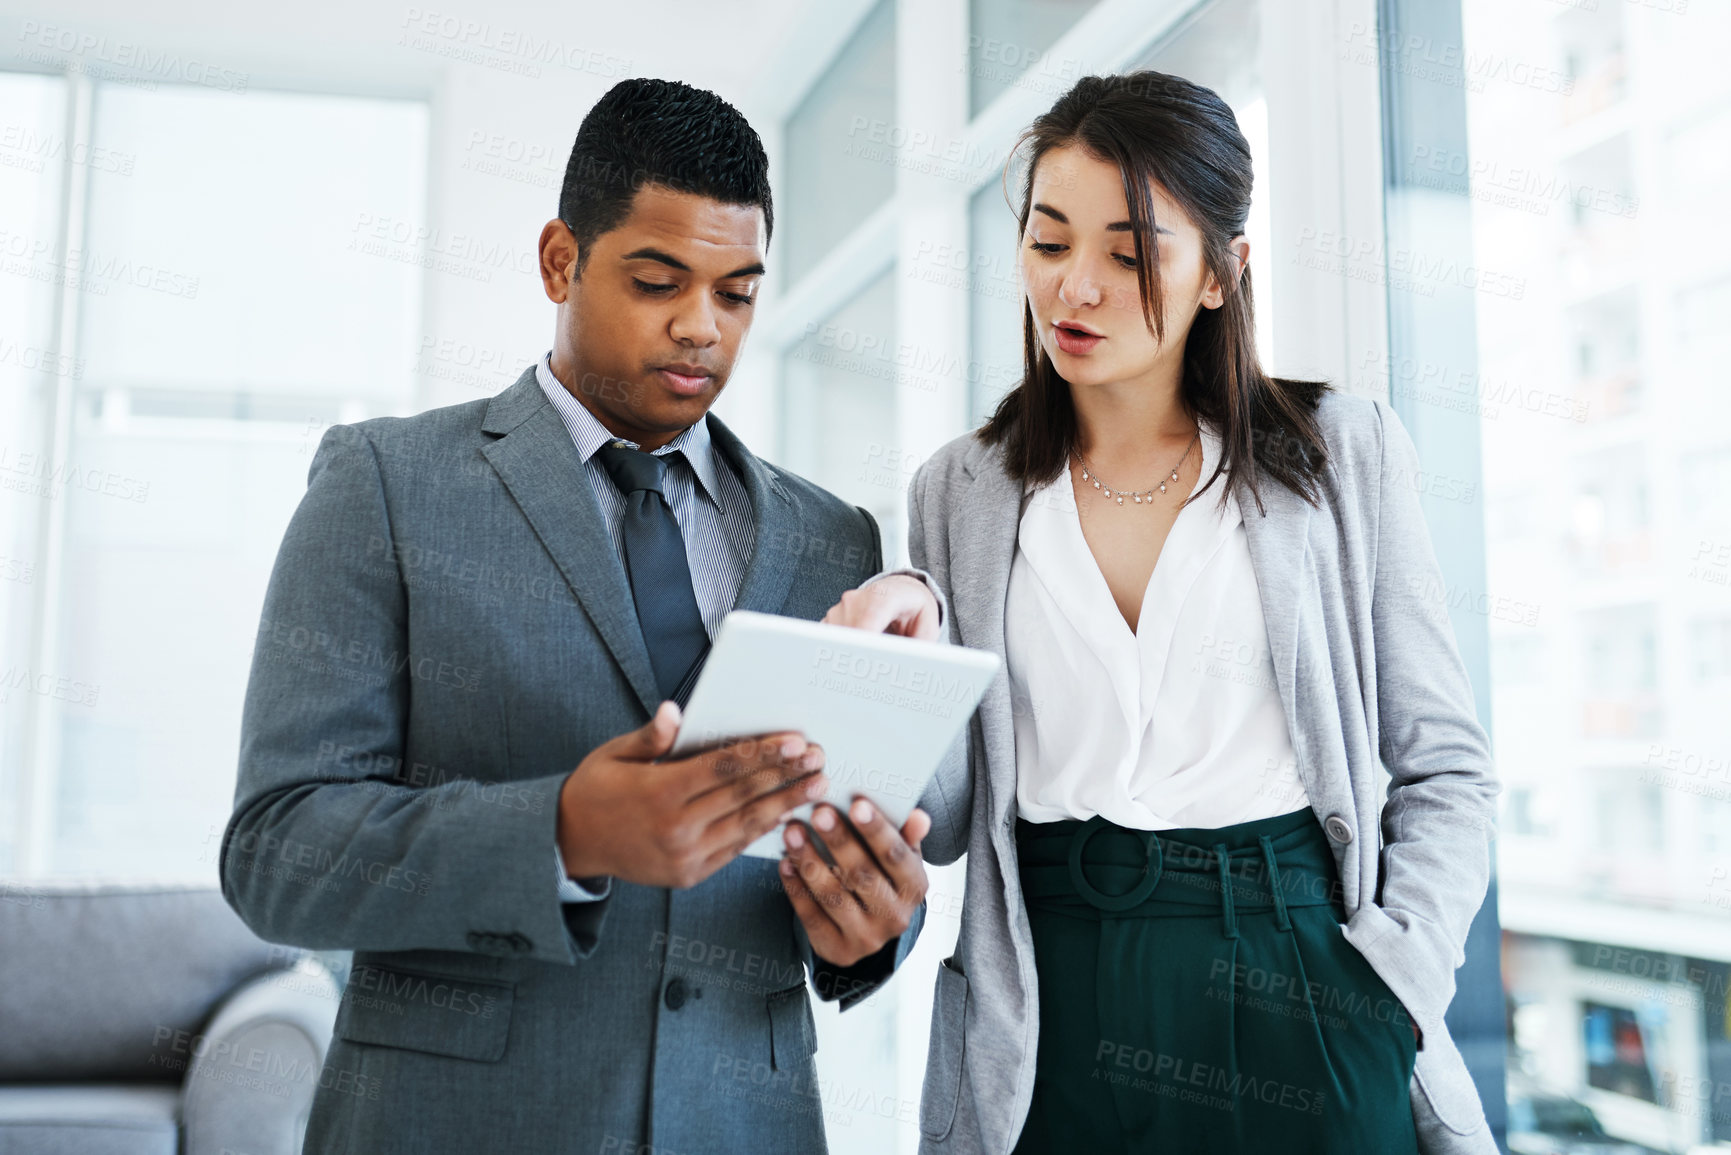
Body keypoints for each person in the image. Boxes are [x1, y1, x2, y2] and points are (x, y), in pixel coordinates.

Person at [221, 78, 944, 1155]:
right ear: (562, 260)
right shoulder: (385, 483)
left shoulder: (836, 542)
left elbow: (831, 846)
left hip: (746, 1124)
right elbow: (276, 854)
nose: (701, 328)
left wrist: (875, 928)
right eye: (659, 281)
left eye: (738, 294)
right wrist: (563, 833)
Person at [838, 71, 1501, 1153]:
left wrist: (1393, 977)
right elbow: (953, 818)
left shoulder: (1342, 456)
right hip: (1054, 993)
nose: (1076, 289)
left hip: (1301, 975)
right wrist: (913, 630)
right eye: (1050, 245)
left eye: (1130, 255)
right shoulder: (958, 491)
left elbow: (1446, 767)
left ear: (1220, 275)